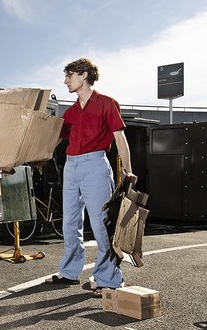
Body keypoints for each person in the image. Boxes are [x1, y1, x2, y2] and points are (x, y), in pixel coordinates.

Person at [46, 58, 137, 297]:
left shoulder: (107, 103)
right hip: (71, 166)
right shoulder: (71, 112)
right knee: (70, 222)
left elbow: (120, 139)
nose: (65, 80)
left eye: (69, 75)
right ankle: (69, 272)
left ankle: (108, 278)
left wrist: (128, 170)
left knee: (101, 222)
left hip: (95, 164)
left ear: (84, 75)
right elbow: (55, 140)